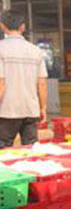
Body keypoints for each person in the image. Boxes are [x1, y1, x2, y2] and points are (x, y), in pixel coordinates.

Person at [0, 10, 47, 147]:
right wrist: (42, 107)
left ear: (2, 26)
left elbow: (1, 84)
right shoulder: (36, 51)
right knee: (31, 149)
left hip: (6, 111)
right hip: (30, 110)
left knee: (3, 151)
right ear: (23, 27)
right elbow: (42, 83)